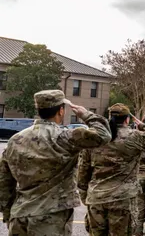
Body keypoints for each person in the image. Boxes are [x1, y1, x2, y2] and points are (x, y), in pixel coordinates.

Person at [0, 90, 111, 235]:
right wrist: (86, 114)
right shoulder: (65, 137)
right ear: (61, 111)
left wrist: (8, 213)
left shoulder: (15, 140)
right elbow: (104, 135)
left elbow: (4, 182)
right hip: (52, 218)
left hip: (20, 217)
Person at [78, 103, 145, 236]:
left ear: (109, 117)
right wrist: (142, 125)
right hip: (123, 199)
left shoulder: (95, 137)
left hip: (97, 198)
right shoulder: (134, 136)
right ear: (127, 119)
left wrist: (86, 198)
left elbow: (83, 172)